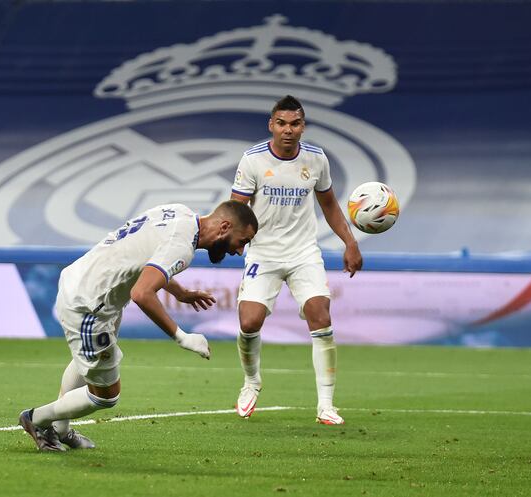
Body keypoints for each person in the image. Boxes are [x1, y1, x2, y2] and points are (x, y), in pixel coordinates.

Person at [19, 200, 258, 451]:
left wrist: (180, 292)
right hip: (90, 304)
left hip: (87, 282)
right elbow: (142, 293)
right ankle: (36, 419)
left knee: (87, 362)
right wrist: (181, 336)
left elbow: (146, 256)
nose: (239, 251)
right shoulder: (182, 247)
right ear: (224, 227)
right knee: (105, 395)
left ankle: (60, 429)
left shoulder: (180, 212)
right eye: (242, 241)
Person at [230, 95, 363, 425]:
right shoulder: (253, 161)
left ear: (303, 127)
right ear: (271, 125)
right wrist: (233, 238)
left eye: (295, 123)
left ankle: (326, 405)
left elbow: (330, 205)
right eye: (282, 123)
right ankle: (251, 383)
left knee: (320, 315)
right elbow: (236, 208)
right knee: (249, 323)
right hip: (263, 252)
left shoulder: (317, 159)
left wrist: (350, 243)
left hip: (304, 252)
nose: (288, 130)